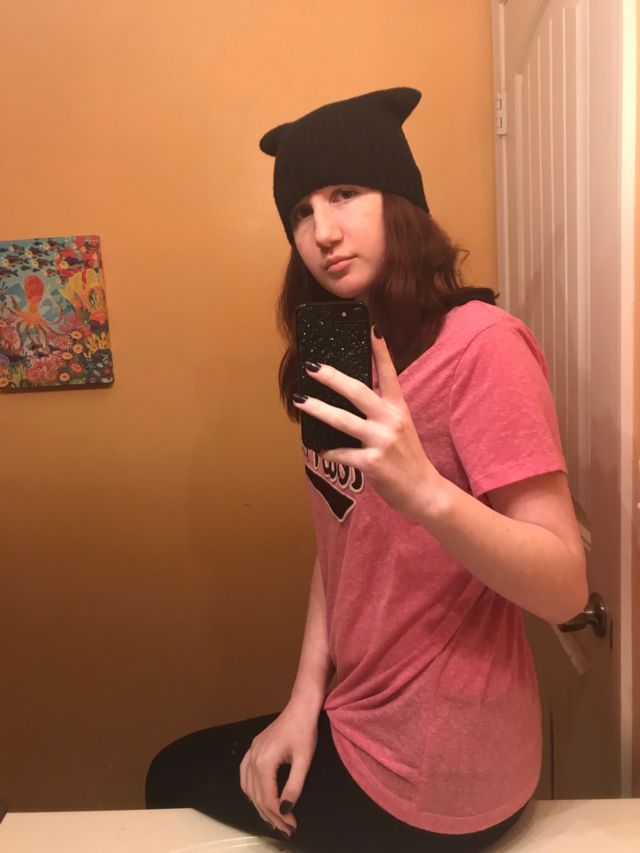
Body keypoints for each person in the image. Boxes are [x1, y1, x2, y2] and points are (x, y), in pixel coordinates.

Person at [146, 88, 587, 852]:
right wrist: (303, 702)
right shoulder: (344, 355)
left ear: (400, 201)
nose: (322, 231)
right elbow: (340, 537)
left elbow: (566, 586)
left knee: (172, 777)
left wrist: (428, 494)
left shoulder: (483, 345)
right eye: (301, 211)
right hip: (363, 715)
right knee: (183, 769)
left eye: (345, 193)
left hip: (444, 766)